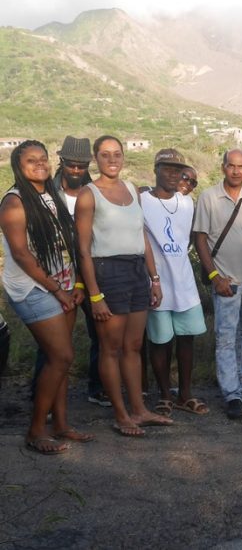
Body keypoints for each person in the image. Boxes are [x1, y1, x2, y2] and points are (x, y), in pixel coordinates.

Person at [75, 135, 173, 436]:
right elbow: (83, 249)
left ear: (124, 157)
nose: (112, 159)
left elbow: (141, 236)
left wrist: (154, 278)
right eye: (105, 155)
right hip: (108, 271)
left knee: (133, 346)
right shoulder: (88, 195)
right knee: (111, 348)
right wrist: (95, 295)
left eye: (117, 154)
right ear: (96, 158)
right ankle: (121, 414)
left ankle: (139, 410)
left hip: (135, 271)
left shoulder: (132, 189)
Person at [0, 140, 93, 453]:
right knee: (62, 356)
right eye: (30, 160)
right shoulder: (14, 202)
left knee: (61, 359)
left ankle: (62, 425)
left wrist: (75, 284)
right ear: (18, 166)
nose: (39, 164)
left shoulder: (49, 195)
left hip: (63, 284)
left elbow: (66, 243)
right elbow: (22, 255)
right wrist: (58, 290)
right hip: (33, 289)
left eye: (42, 158)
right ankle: (36, 430)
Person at [30, 136, 109, 407]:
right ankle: (42, 396)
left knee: (100, 332)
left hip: (91, 274)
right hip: (59, 275)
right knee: (53, 342)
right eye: (71, 165)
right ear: (61, 162)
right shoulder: (47, 192)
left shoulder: (96, 191)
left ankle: (98, 388)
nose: (76, 170)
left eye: (81, 166)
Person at [194, 149, 242, 420]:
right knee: (226, 337)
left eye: (241, 166)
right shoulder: (208, 197)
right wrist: (214, 277)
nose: (236, 171)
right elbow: (200, 239)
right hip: (226, 280)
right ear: (223, 167)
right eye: (231, 166)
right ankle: (231, 393)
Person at [142, 149, 208, 417]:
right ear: (155, 169)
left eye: (177, 169)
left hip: (184, 284)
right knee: (159, 342)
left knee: (186, 339)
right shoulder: (141, 199)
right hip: (156, 283)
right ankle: (164, 394)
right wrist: (153, 277)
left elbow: (188, 239)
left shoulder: (186, 203)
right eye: (166, 168)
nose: (172, 174)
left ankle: (185, 394)